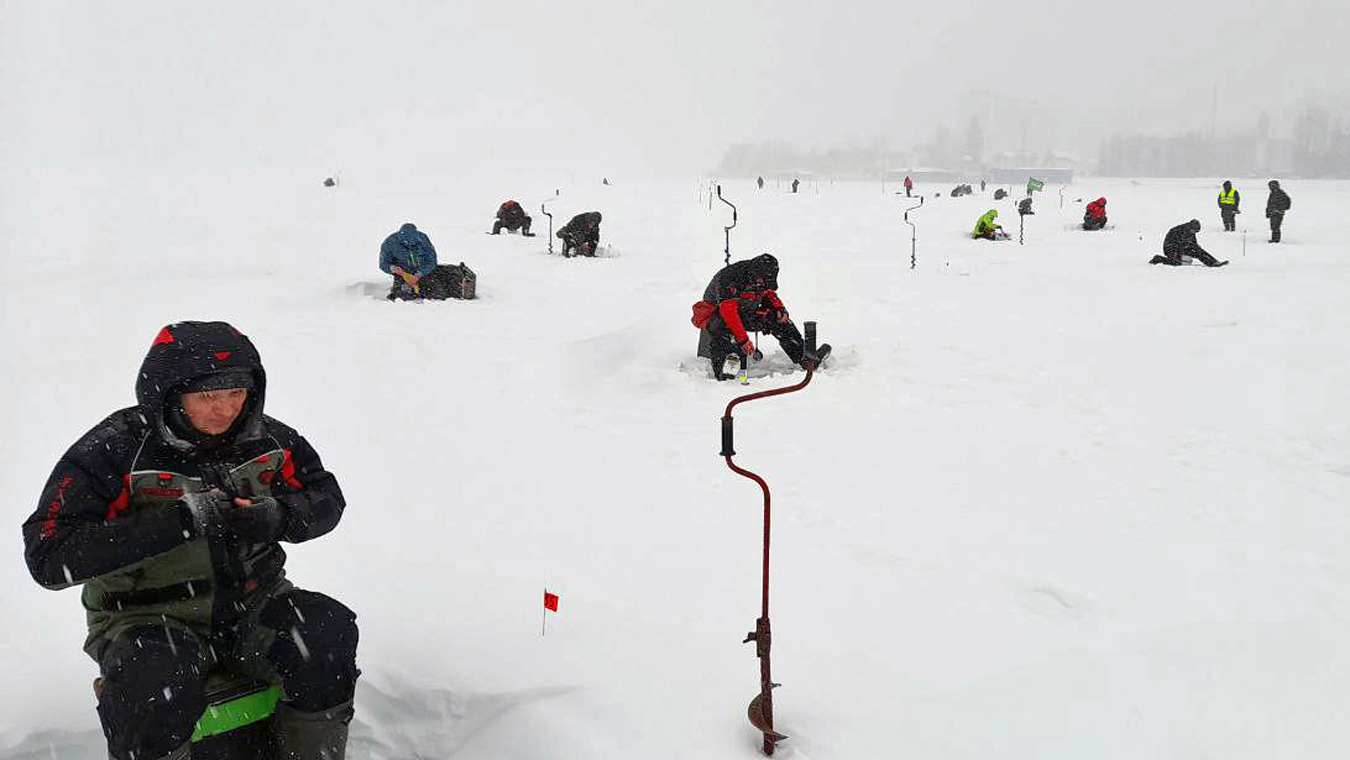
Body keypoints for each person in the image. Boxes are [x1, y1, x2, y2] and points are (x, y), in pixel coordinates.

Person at [21, 321, 358, 760]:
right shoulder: (112, 451)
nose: (225, 411)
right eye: (207, 397)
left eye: (236, 395)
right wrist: (178, 522)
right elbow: (48, 556)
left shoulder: (269, 439)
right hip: (146, 617)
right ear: (167, 394)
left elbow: (327, 497)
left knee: (324, 632)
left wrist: (281, 516)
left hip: (255, 603)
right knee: (154, 681)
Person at [692, 254, 818, 380]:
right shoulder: (730, 278)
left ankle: (804, 357)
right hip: (719, 313)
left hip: (747, 311)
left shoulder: (762, 278)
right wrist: (743, 341)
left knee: (779, 320)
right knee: (720, 327)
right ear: (754, 274)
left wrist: (780, 309)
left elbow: (769, 293)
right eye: (760, 282)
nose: (761, 285)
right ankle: (726, 368)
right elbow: (728, 312)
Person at [380, 222, 437, 299]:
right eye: (406, 244)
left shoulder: (423, 239)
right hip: (402, 274)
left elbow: (431, 260)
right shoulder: (390, 242)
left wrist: (419, 274)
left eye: (413, 244)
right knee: (402, 296)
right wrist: (393, 269)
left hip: (422, 272)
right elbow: (383, 263)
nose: (410, 246)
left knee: (433, 293)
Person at [1150, 219, 1227, 266]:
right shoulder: (1179, 230)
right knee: (1176, 263)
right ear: (1191, 227)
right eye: (1194, 231)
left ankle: (1213, 262)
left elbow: (1194, 244)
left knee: (1199, 252)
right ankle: (1158, 258)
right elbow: (1180, 243)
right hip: (1170, 248)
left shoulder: (1190, 231)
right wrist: (1182, 253)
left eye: (1196, 232)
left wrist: (1199, 250)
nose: (1194, 233)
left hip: (1181, 248)